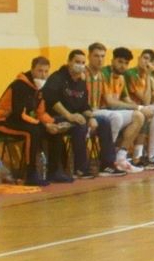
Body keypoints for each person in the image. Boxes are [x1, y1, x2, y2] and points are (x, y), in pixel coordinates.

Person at [0, 57, 73, 185]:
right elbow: (20, 114)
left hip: (20, 121)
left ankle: (54, 171)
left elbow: (40, 112)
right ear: (32, 70)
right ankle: (31, 174)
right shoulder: (19, 86)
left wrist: (50, 123)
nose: (43, 75)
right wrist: (43, 125)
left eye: (46, 71)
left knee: (55, 129)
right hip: (3, 122)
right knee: (32, 132)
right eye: (40, 71)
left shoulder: (39, 88)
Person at [44, 50, 109, 178]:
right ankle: (80, 169)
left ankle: (108, 165)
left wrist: (91, 117)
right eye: (77, 62)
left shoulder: (81, 81)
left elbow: (84, 105)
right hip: (56, 117)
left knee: (104, 121)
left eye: (83, 63)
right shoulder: (57, 77)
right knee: (80, 125)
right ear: (69, 62)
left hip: (75, 116)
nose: (80, 65)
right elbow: (52, 101)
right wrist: (69, 116)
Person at [86, 43, 145, 174]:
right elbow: (110, 102)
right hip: (92, 112)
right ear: (89, 56)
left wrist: (140, 108)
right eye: (96, 56)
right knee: (117, 116)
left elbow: (123, 100)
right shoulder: (90, 74)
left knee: (138, 116)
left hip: (100, 111)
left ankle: (121, 158)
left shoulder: (101, 75)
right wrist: (139, 106)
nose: (100, 59)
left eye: (102, 56)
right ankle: (107, 161)